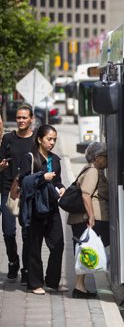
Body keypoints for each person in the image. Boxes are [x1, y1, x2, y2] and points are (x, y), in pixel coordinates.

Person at [19, 124, 66, 295]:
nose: (52, 142)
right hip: (35, 208)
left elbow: (58, 181)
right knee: (34, 246)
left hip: (52, 208)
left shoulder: (55, 160)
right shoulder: (30, 158)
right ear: (39, 139)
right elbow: (23, 182)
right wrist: (41, 177)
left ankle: (52, 281)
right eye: (49, 139)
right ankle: (35, 283)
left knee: (58, 243)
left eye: (54, 139)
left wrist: (61, 187)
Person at [67, 141, 109, 299]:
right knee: (87, 250)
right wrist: (91, 216)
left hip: (88, 219)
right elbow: (86, 194)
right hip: (87, 219)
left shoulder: (95, 170)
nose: (107, 160)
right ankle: (79, 287)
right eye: (106, 157)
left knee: (86, 250)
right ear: (97, 157)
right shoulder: (92, 171)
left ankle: (80, 287)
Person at [0, 104, 35, 281]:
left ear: (31, 119)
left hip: (29, 192)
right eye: (19, 117)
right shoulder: (8, 138)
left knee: (28, 231)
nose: (21, 121)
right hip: (8, 189)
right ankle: (13, 261)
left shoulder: (36, 139)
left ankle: (27, 269)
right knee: (8, 231)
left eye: (24, 118)